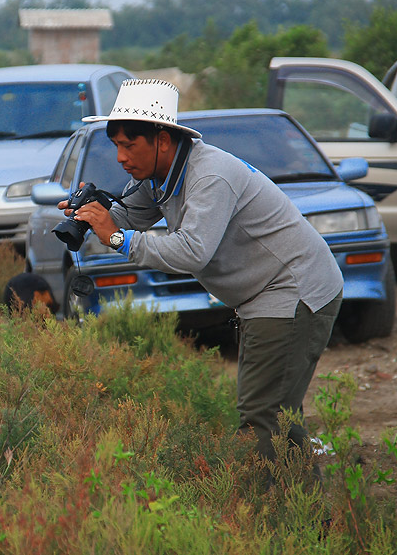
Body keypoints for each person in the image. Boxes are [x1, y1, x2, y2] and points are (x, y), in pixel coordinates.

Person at [65, 79, 343, 474]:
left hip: (293, 288)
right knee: (277, 411)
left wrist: (115, 237)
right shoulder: (156, 177)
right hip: (264, 294)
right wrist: (91, 214)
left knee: (261, 415)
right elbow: (130, 217)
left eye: (129, 145)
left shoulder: (209, 175)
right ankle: (306, 514)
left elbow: (192, 251)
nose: (121, 157)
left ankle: (271, 513)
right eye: (116, 146)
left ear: (162, 139)